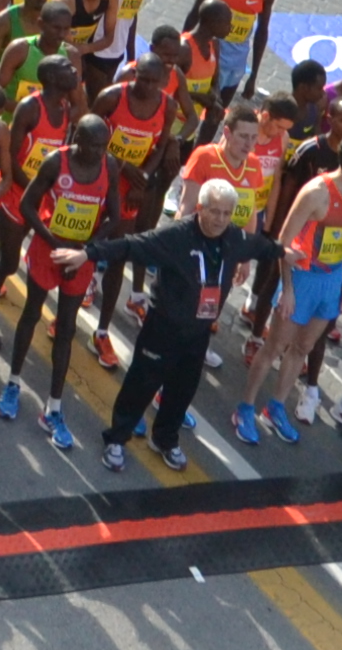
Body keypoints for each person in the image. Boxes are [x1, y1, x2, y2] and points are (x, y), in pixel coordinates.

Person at [92, 175, 276, 475]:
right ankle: (116, 439)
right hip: (162, 328)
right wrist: (87, 254)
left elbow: (260, 247)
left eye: (227, 213)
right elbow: (129, 246)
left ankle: (164, 438)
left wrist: (284, 252)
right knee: (141, 384)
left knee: (182, 390)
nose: (220, 219)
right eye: (215, 211)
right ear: (200, 207)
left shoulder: (232, 238)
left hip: (198, 332)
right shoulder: (176, 236)